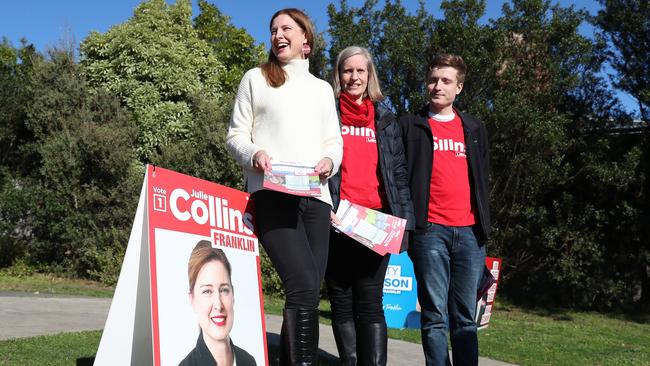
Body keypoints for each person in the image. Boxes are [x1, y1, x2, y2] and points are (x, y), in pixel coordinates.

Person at [226, 8, 343, 365]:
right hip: (273, 195)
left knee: (306, 292)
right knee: (304, 282)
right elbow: (234, 135)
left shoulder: (323, 90)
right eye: (273, 29)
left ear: (306, 40)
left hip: (317, 199)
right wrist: (254, 153)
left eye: (286, 28)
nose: (278, 34)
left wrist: (329, 162)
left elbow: (334, 142)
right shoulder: (256, 78)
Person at [398, 54, 490, 366]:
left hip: (470, 233)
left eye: (446, 81)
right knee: (434, 315)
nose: (438, 86)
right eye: (433, 79)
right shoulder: (410, 125)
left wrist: (483, 226)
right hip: (430, 232)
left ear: (459, 87)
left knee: (464, 318)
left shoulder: (474, 128)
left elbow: (482, 179)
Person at [325, 46, 415, 366]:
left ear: (369, 75)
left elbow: (399, 176)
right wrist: (324, 209)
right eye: (347, 71)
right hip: (335, 221)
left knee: (371, 304)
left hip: (376, 222)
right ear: (339, 75)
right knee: (341, 301)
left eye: (360, 71)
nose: (354, 77)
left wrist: (405, 224)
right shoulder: (326, 115)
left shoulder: (386, 120)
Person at [180, 240, 256, 366]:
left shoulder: (248, 361)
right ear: (192, 299)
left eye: (224, 290)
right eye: (207, 291)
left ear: (233, 294)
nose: (218, 305)